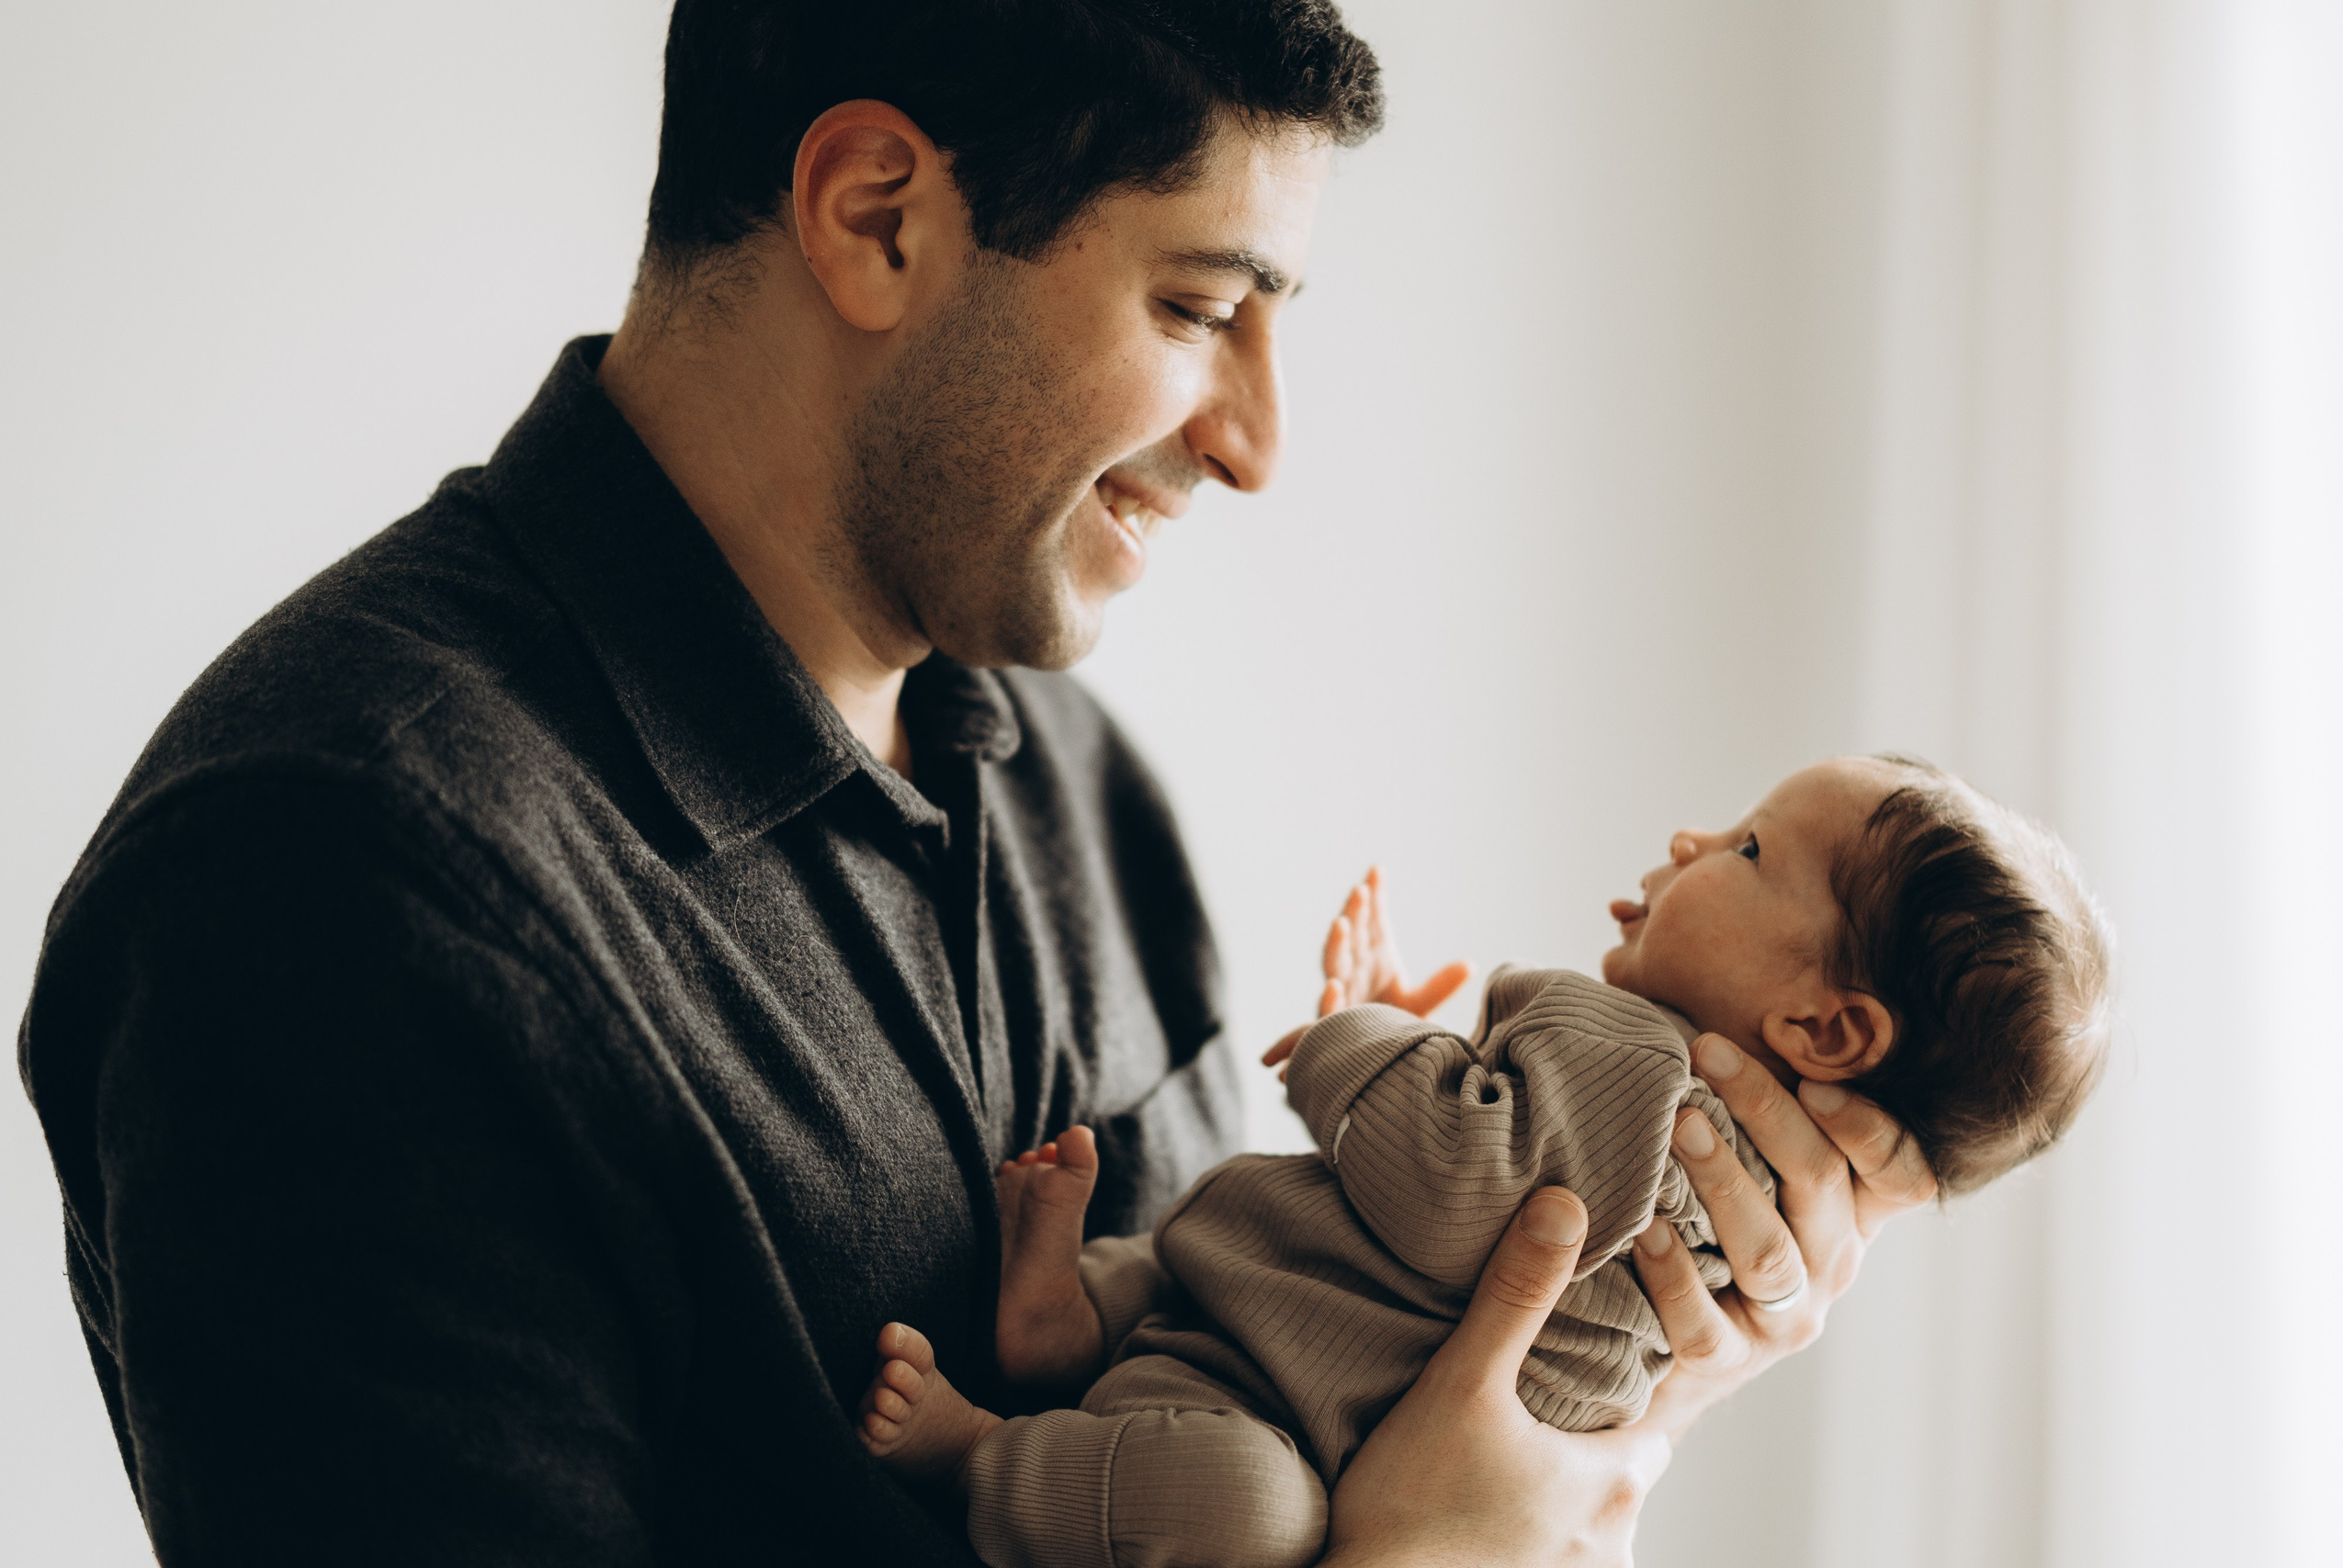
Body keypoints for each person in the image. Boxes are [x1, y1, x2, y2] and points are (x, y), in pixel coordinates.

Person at [16, 4, 1936, 1563]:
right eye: (1199, 309)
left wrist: (1616, 1353)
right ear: (876, 216)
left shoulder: (1072, 780)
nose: (1258, 444)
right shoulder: (328, 876)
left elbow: (1283, 1396)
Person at [854, 757, 2110, 1568]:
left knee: (1240, 1493)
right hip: (1287, 1358)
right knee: (1228, 1443)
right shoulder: (1755, 1214)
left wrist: (1359, 1042)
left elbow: (1455, 1179)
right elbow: (1499, 1190)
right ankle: (1066, 1331)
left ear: (1825, 1031)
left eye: (1747, 851)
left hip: (1282, 1390)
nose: (1692, 835)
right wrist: (1435, 1057)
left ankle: (990, 1452)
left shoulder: (1641, 1062)